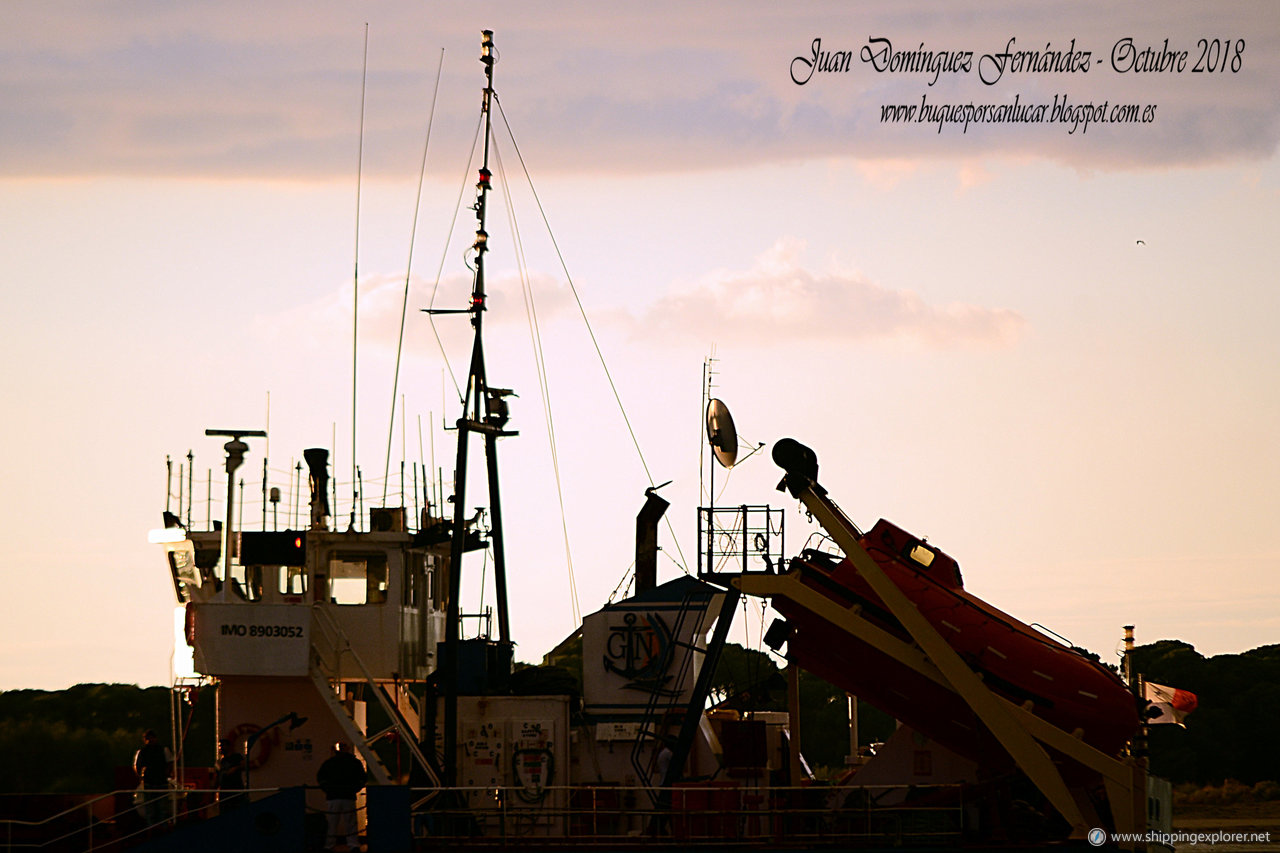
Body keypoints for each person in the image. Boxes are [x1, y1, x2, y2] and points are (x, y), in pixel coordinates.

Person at [317, 742, 366, 852]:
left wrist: (328, 789)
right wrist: (355, 789)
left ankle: (329, 845)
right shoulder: (354, 763)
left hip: (333, 796)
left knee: (332, 823)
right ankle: (353, 844)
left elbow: (321, 778)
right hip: (348, 795)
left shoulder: (329, 763)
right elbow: (362, 778)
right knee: (351, 823)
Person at [133, 729, 173, 826]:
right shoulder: (142, 752)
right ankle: (153, 830)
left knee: (161, 809)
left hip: (160, 783)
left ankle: (160, 829)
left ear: (155, 738)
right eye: (147, 738)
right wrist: (141, 776)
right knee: (151, 810)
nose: (149, 740)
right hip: (150, 783)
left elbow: (170, 763)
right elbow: (136, 766)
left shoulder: (163, 750)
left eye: (151, 738)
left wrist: (166, 773)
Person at [214, 737, 245, 812]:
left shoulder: (237, 757)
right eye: (220, 746)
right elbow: (218, 776)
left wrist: (235, 768)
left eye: (222, 746)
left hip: (235, 791)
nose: (221, 748)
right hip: (224, 792)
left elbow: (244, 765)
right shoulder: (221, 762)